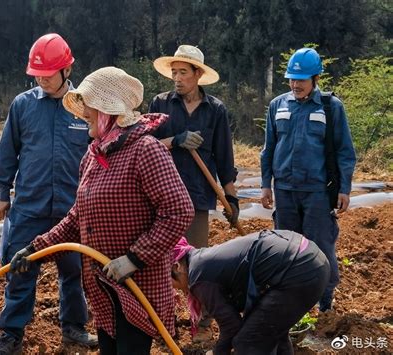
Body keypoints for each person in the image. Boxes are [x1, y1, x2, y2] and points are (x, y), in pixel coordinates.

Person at [8, 66, 195, 355]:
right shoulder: (94, 155)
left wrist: (134, 258)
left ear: (109, 112)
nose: (82, 114)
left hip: (136, 286)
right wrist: (34, 249)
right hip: (103, 287)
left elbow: (179, 211)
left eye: (89, 108)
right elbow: (76, 218)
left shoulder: (145, 150)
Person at [0, 33, 97, 354]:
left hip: (71, 209)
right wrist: (2, 192)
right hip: (29, 208)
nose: (42, 80)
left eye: (48, 74)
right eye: (37, 75)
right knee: (20, 272)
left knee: (74, 274)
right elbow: (9, 151)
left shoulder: (83, 107)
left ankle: (74, 329)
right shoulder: (23, 105)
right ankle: (10, 337)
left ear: (66, 70)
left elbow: (99, 153)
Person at [260, 48, 356, 312]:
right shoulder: (277, 105)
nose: (295, 84)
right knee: (285, 249)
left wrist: (344, 188)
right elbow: (269, 148)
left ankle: (325, 304)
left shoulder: (330, 107)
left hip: (317, 192)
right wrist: (264, 184)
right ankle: (290, 302)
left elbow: (345, 151)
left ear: (315, 78)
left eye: (300, 79)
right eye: (291, 79)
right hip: (285, 191)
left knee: (320, 248)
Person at [171, 231, 330, 355]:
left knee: (248, 341)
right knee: (269, 332)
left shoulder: (198, 277)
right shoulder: (201, 261)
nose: (176, 288)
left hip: (299, 270)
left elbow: (231, 325)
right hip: (309, 257)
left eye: (170, 281)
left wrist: (217, 351)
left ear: (177, 266)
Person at [149, 44, 239, 249]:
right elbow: (145, 147)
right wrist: (175, 140)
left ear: (197, 74)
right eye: (174, 72)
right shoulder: (160, 104)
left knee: (194, 261)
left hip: (196, 199)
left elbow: (224, 159)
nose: (177, 78)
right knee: (162, 261)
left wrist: (231, 198)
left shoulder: (216, 110)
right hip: (162, 198)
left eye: (183, 72)